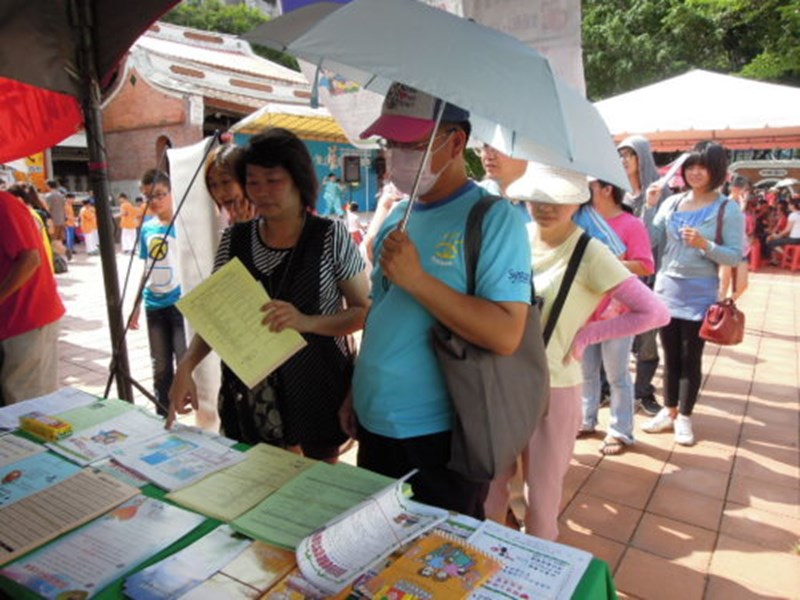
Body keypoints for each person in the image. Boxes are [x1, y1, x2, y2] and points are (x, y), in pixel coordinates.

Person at [339, 83, 533, 519]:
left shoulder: (493, 219)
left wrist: (418, 279)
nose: (397, 155)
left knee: (440, 564)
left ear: (456, 143)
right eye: (392, 143)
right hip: (375, 421)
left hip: (439, 434)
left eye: (413, 144)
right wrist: (357, 387)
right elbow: (381, 314)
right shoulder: (396, 220)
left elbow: (506, 333)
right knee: (378, 546)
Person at [483, 164, 669, 540]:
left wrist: (586, 335)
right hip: (501, 378)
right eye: (539, 197)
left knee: (543, 495)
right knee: (489, 487)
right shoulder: (516, 237)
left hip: (555, 386)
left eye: (559, 198)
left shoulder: (590, 252)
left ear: (577, 201)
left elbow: (655, 312)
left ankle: (535, 575)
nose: (546, 206)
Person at [169, 128, 369, 461]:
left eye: (273, 180)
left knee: (315, 488)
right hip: (250, 393)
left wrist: (306, 322)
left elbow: (363, 311)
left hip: (317, 388)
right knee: (259, 483)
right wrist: (186, 366)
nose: (261, 192)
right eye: (253, 182)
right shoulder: (234, 240)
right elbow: (216, 318)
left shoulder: (330, 236)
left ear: (298, 181)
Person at [641, 141, 745, 446]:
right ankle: (669, 410)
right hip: (666, 290)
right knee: (670, 355)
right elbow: (649, 240)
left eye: (703, 166)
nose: (695, 172)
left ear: (716, 171)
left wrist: (705, 245)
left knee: (690, 357)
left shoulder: (728, 208)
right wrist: (649, 206)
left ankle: (684, 416)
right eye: (690, 166)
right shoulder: (671, 203)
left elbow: (734, 255)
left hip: (700, 295)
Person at [579, 179, 655, 456]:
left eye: (589, 185)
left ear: (606, 189)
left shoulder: (631, 224)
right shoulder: (581, 219)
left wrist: (607, 264)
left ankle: (620, 430)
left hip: (618, 313)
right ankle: (585, 419)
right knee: (585, 372)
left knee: (617, 375)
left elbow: (646, 264)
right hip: (585, 310)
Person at [0, 190, 65, 404]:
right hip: (10, 320)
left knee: (30, 407)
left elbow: (30, 259)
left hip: (26, 318)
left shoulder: (4, 205)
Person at [617, 135, 666, 417]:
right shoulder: (617, 193)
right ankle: (605, 389)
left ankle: (644, 391)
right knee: (614, 337)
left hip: (650, 276)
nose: (623, 161)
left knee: (647, 338)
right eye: (620, 155)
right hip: (620, 276)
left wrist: (649, 206)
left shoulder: (662, 192)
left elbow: (654, 239)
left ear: (642, 158)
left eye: (629, 155)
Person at [131, 170, 186, 417]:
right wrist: (134, 306)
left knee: (185, 362)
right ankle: (164, 415)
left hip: (180, 305)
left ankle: (188, 412)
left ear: (172, 192)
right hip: (153, 305)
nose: (154, 201)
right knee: (160, 366)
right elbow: (146, 268)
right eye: (147, 197)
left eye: (159, 195)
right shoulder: (146, 229)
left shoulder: (184, 225)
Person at [205, 144, 255, 226]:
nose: (220, 193)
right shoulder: (231, 221)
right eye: (213, 185)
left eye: (226, 181)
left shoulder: (271, 221)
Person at [719, 175, 751, 300]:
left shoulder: (738, 203)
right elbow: (728, 223)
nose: (745, 192)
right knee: (724, 283)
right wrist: (742, 207)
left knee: (742, 285)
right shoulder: (726, 203)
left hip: (740, 247)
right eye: (744, 189)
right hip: (727, 247)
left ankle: (727, 304)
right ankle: (718, 313)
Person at [766, 197, 800, 262]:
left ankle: (788, 257)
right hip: (797, 238)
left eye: (789, 204)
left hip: (794, 239)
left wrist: (777, 236)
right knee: (776, 239)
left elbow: (787, 230)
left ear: (793, 206)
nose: (788, 206)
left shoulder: (793, 215)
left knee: (771, 242)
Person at [44, 179, 66, 245]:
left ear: (48, 186)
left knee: (53, 239)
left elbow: (47, 208)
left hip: (53, 221)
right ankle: (60, 253)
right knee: (60, 239)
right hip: (61, 220)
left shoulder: (48, 196)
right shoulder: (61, 195)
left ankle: (55, 254)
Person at [64, 192, 77, 260]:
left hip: (71, 223)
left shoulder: (70, 205)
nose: (73, 200)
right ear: (67, 198)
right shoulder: (65, 205)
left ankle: (71, 248)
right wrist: (73, 219)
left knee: (71, 237)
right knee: (69, 237)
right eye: (72, 199)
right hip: (68, 224)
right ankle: (69, 250)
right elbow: (66, 216)